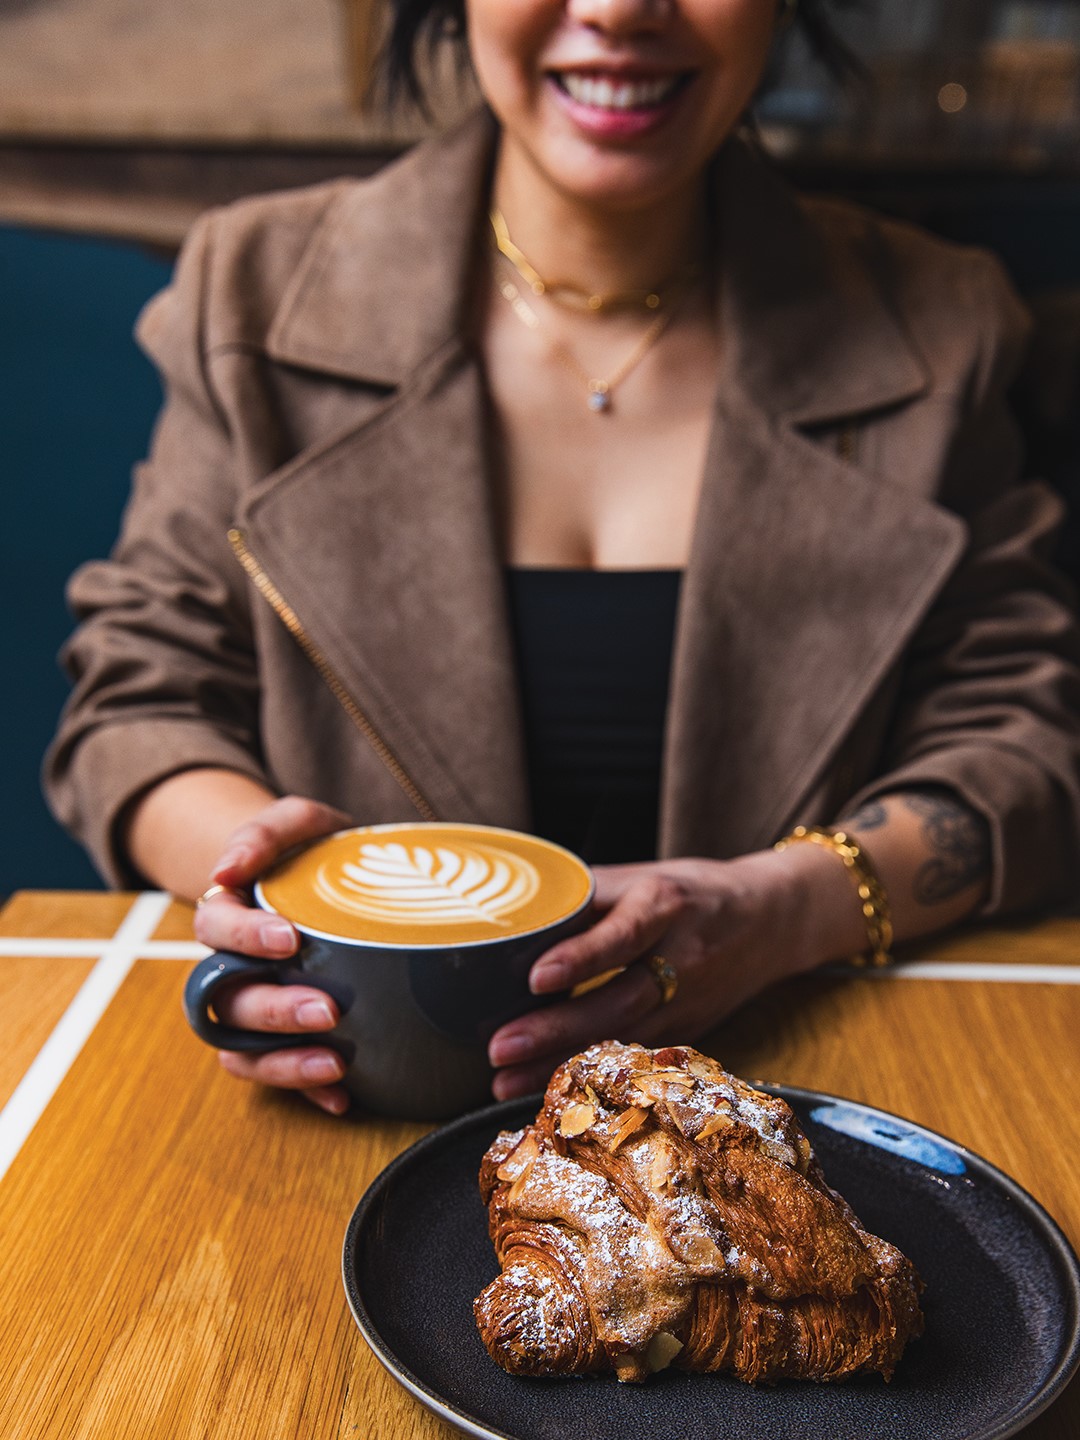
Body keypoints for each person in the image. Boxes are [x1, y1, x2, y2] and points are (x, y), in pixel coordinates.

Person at [46, 0, 1080, 1117]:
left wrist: (783, 909)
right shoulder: (247, 289)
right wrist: (279, 914)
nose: (621, 7)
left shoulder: (944, 321)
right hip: (358, 1117)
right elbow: (136, 701)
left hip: (803, 1099)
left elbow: (1028, 742)